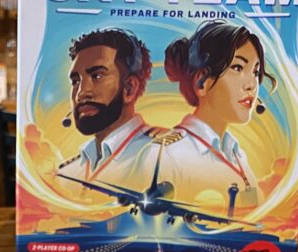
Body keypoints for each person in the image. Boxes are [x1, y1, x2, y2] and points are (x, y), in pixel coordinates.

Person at [157, 21, 276, 209]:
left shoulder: (236, 153)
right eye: (238, 68)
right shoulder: (167, 154)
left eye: (255, 72)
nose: (252, 85)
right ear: (202, 82)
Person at [57, 28, 163, 192]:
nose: (81, 93)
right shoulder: (67, 173)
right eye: (76, 81)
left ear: (129, 88)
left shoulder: (162, 157)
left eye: (97, 76)